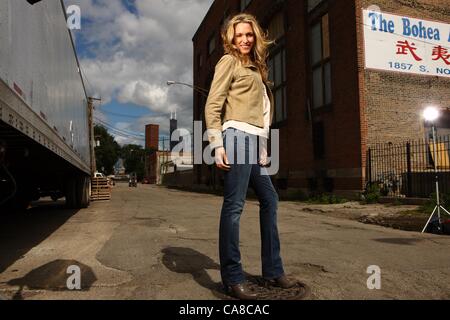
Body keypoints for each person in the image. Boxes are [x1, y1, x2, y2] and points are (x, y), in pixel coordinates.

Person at [205, 13, 296, 300]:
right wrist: (216, 144)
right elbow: (213, 104)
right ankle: (232, 278)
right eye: (238, 35)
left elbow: (264, 112)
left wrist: (264, 144)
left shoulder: (256, 68)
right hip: (234, 137)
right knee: (234, 206)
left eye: (248, 34)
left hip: (254, 141)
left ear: (255, 36)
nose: (244, 40)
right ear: (230, 39)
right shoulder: (228, 61)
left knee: (270, 199)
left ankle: (273, 271)